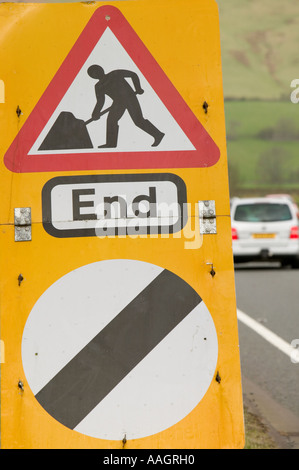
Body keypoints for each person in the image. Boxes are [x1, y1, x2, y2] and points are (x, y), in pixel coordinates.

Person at [87, 65, 164, 148]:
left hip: (129, 97)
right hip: (118, 103)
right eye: (93, 74)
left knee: (138, 120)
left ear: (101, 69)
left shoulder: (114, 74)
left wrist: (138, 88)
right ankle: (111, 143)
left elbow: (133, 74)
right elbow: (100, 101)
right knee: (111, 121)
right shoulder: (98, 86)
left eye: (97, 71)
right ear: (92, 77)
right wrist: (95, 112)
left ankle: (158, 135)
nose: (96, 74)